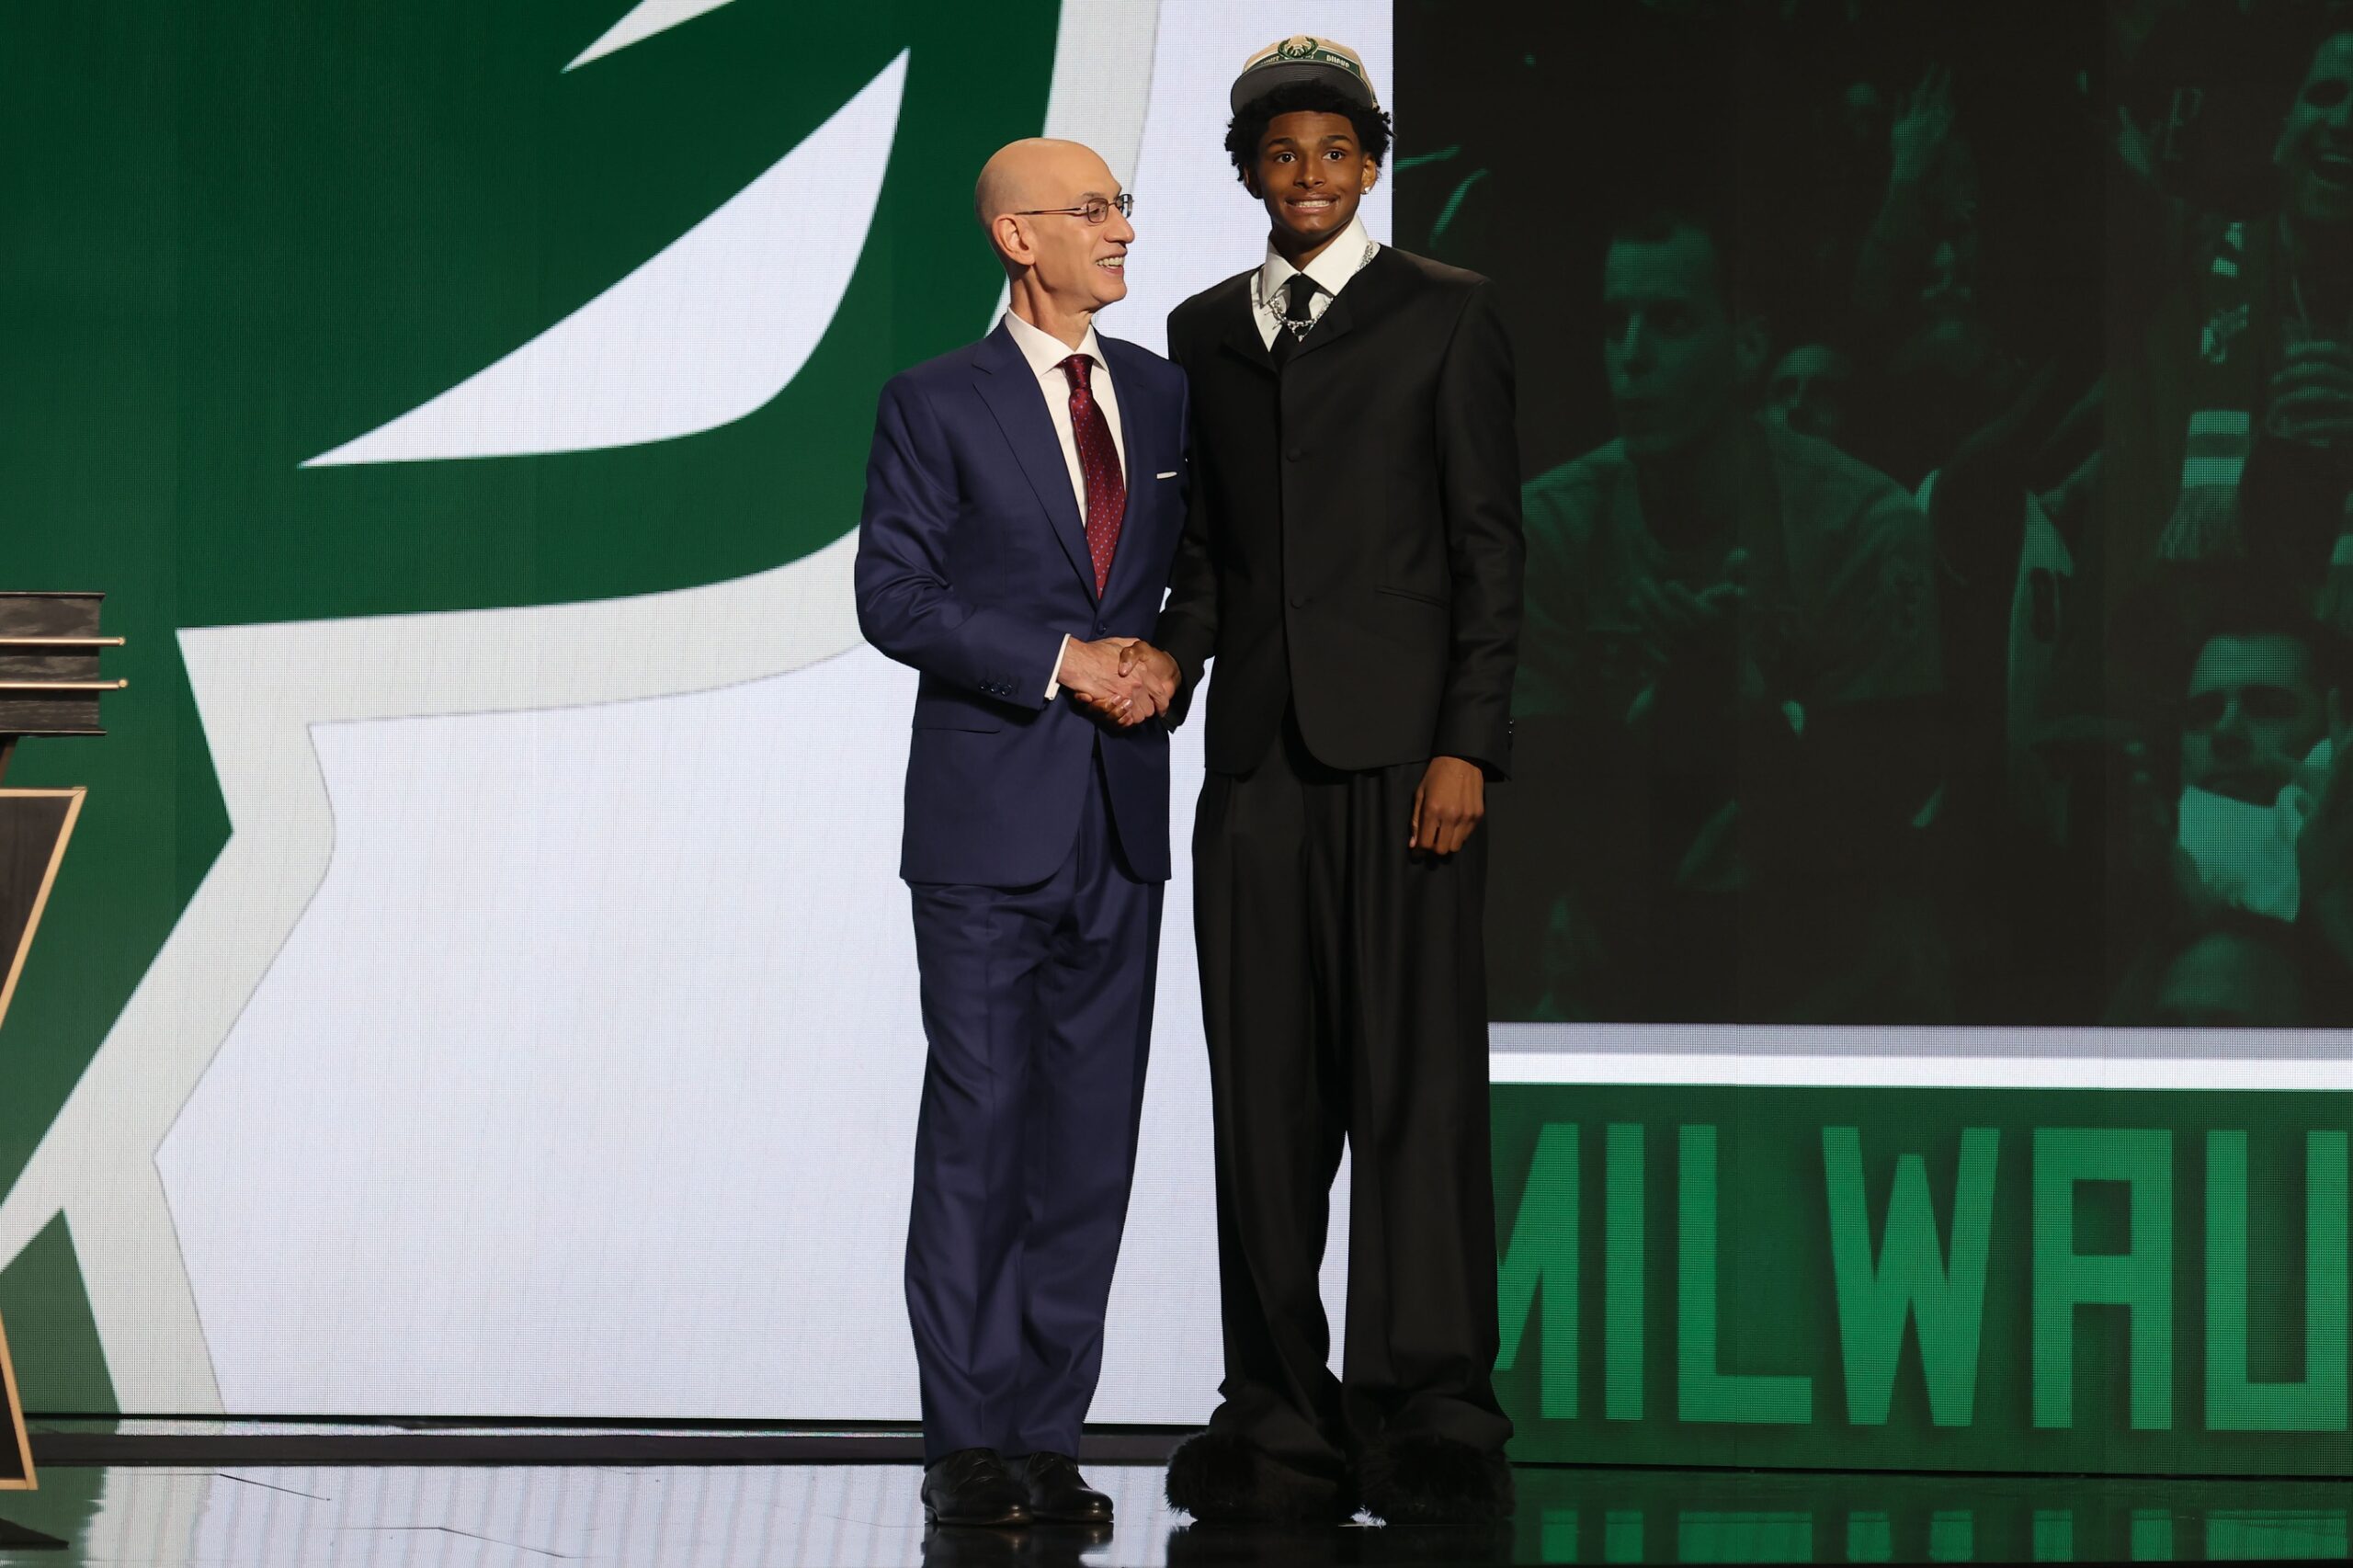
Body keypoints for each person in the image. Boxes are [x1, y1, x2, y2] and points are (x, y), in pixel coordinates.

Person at [1120, 35, 1524, 1527]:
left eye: (1334, 154)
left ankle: (1432, 1407)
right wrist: (1164, 660)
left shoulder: (1446, 316)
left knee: (1416, 1095)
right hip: (1259, 770)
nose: (1309, 178)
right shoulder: (1203, 327)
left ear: (1373, 164)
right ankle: (1277, 1413)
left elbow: (1490, 546)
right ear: (1245, 170)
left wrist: (1468, 741)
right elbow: (1212, 560)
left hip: (1412, 764)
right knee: (1268, 1105)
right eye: (1281, 155)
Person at [853, 137, 1189, 1530]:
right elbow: (895, 596)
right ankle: (968, 1440)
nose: (1120, 228)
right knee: (982, 1132)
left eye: (1122, 205)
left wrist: (1171, 657)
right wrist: (1064, 659)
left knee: (1089, 1146)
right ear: (1016, 237)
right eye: (1093, 209)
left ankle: (1048, 1438)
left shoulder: (1166, 398)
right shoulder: (936, 400)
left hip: (1120, 818)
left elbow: (1190, 583)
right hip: (990, 824)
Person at [1504, 206, 1947, 1024]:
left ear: (1745, 347)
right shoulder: (1546, 527)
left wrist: (1740, 707)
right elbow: (1534, 814)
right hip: (1616, 938)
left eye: (1669, 321)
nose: (1632, 355)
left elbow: (1877, 814)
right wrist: (1664, 711)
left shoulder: (1864, 523)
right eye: (1614, 324)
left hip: (1825, 955)